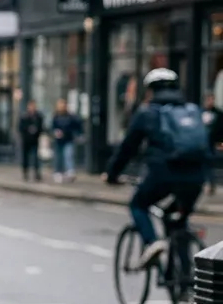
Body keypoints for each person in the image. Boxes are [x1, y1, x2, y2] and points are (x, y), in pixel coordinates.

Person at [104, 68, 212, 269]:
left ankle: (152, 242)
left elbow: (127, 148)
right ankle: (185, 275)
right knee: (177, 221)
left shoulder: (148, 112)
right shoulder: (192, 111)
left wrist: (112, 174)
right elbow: (205, 145)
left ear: (150, 90)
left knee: (138, 205)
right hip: (195, 178)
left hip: (164, 175)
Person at [50, 98, 84, 183]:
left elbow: (77, 126)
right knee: (59, 157)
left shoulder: (71, 116)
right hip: (58, 140)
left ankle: (70, 171)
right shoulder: (55, 116)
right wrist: (55, 133)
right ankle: (58, 172)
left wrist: (77, 134)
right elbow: (52, 127)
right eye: (60, 105)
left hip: (68, 139)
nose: (62, 107)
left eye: (63, 105)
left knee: (68, 155)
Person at [18, 100, 44, 181]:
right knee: (25, 157)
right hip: (26, 140)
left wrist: (36, 131)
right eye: (30, 106)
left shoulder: (38, 116)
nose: (32, 108)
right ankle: (25, 172)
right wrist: (27, 131)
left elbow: (41, 127)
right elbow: (20, 128)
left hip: (35, 140)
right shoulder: (24, 116)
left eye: (33, 106)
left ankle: (37, 173)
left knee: (36, 157)